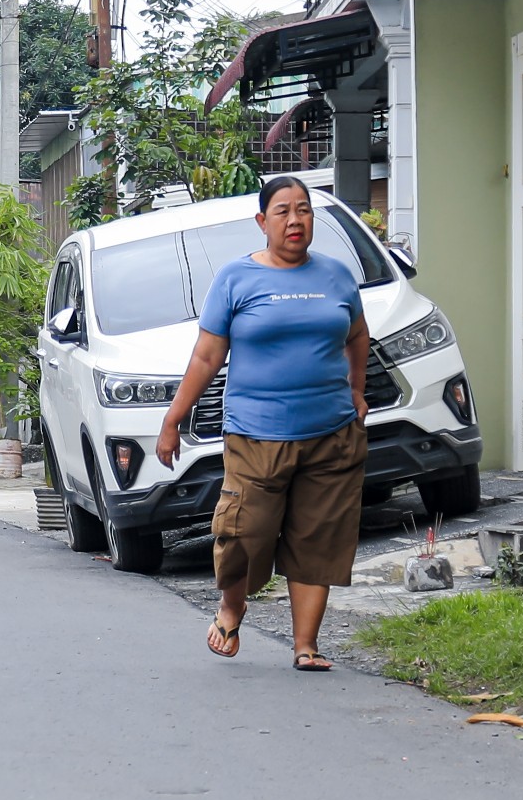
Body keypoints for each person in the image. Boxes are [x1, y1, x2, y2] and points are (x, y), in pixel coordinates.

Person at [154, 176, 369, 673]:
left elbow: (357, 334)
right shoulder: (236, 279)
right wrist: (174, 419)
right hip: (255, 435)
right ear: (262, 222)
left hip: (332, 433)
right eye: (283, 212)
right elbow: (208, 356)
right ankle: (232, 608)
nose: (295, 220)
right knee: (244, 533)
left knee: (318, 537)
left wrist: (357, 390)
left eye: (304, 210)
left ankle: (306, 645)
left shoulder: (337, 277)